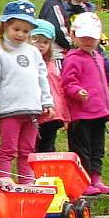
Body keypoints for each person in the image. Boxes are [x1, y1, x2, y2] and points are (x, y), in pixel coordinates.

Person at [0, 0, 54, 183]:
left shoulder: (33, 52)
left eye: (25, 31)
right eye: (16, 29)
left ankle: (26, 181)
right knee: (8, 149)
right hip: (9, 110)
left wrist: (47, 101)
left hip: (32, 109)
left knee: (27, 149)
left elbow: (42, 78)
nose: (20, 34)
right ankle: (5, 180)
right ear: (6, 26)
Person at [61, 12, 109, 195]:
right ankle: (82, 182)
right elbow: (67, 83)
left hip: (98, 113)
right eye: (83, 37)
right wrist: (77, 91)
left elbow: (103, 84)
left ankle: (96, 179)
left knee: (97, 148)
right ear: (73, 36)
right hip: (81, 114)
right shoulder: (73, 58)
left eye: (92, 38)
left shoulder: (98, 58)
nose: (87, 41)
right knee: (81, 149)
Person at [30, 19, 70, 152]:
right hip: (36, 112)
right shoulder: (28, 64)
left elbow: (60, 90)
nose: (41, 45)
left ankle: (46, 171)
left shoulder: (52, 64)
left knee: (48, 146)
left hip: (53, 114)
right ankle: (33, 172)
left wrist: (65, 115)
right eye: (37, 40)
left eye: (46, 42)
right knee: (34, 145)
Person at [39, 0, 83, 68]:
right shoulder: (55, 6)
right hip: (57, 54)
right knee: (59, 79)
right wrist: (72, 44)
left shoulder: (51, 2)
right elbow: (59, 30)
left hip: (55, 52)